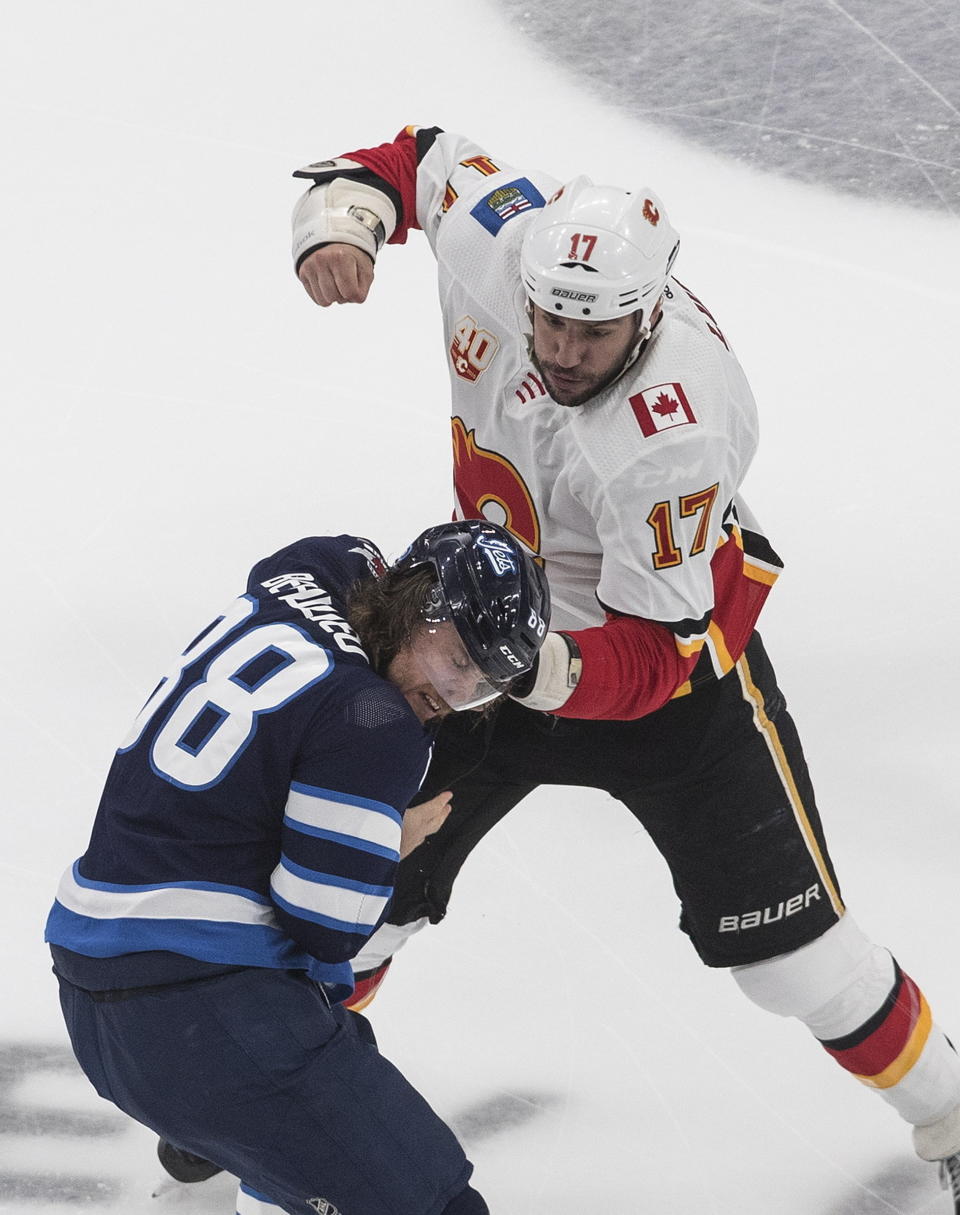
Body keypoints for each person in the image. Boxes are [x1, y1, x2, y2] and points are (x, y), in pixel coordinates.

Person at [290, 125, 960, 1208]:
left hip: (651, 670)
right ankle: (228, 1140)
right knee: (353, 909)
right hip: (476, 634)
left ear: (648, 316)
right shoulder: (503, 239)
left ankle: (948, 1112)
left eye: (591, 336)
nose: (558, 348)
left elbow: (655, 656)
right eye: (549, 319)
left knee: (796, 961)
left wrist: (527, 666)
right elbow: (409, 159)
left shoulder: (678, 434)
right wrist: (342, 223)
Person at [45, 519, 550, 1215]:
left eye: (481, 682)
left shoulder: (312, 580)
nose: (452, 692)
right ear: (415, 602)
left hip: (92, 985)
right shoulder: (377, 726)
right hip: (197, 1011)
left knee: (338, 1071)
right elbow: (327, 926)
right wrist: (391, 839)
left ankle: (217, 1160)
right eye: (457, 656)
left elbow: (313, 559)